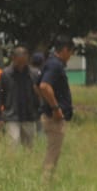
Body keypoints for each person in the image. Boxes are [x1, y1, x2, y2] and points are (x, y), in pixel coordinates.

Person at [39, 39, 75, 179]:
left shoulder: (48, 63)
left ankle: (48, 180)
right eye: (71, 52)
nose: (70, 56)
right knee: (53, 153)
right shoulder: (55, 65)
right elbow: (43, 86)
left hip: (50, 115)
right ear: (65, 50)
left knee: (54, 152)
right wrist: (55, 108)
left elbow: (37, 86)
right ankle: (45, 184)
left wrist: (46, 103)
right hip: (54, 118)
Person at [0, 46, 39, 148]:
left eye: (24, 62)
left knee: (29, 147)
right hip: (11, 115)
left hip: (29, 115)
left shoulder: (34, 74)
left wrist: (39, 110)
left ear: (27, 59)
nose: (21, 65)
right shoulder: (6, 74)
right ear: (13, 59)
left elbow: (38, 94)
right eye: (19, 62)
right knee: (13, 144)